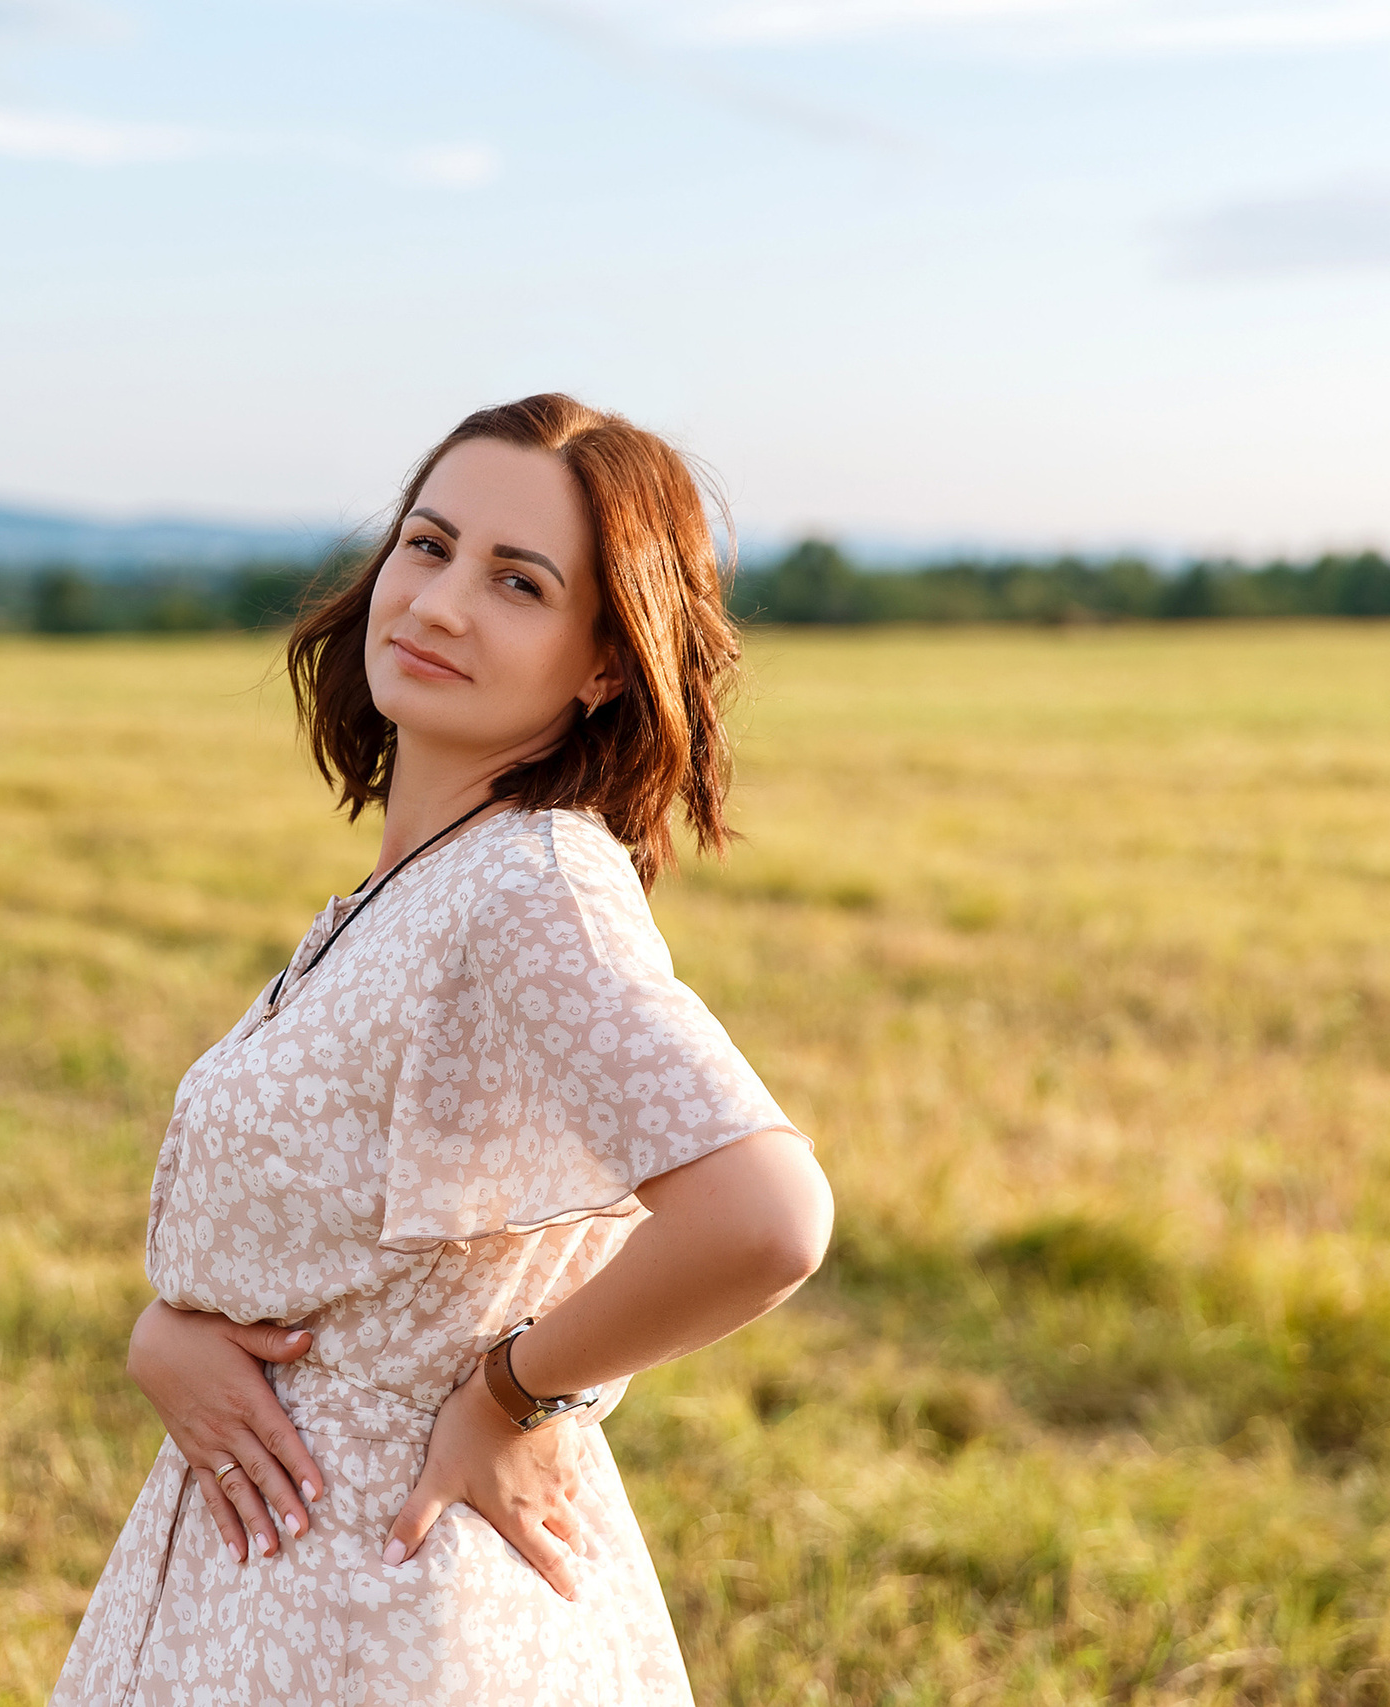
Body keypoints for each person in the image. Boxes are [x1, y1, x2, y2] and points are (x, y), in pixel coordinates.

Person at [49, 393, 835, 1706]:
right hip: (283, 1585)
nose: (441, 604)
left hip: (390, 1607)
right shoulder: (422, 887)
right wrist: (167, 1334)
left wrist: (512, 1397)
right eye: (429, 545)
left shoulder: (531, 888)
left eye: (517, 582)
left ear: (602, 664)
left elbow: (767, 1216)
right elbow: (343, 1256)